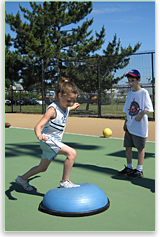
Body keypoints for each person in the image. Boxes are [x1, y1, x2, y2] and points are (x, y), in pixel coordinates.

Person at [16, 77, 80, 190]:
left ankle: (22, 179)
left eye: (72, 101)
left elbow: (66, 110)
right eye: (68, 100)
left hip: (53, 142)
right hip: (47, 140)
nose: (70, 103)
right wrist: (39, 135)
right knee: (72, 154)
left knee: (42, 167)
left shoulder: (65, 107)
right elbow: (38, 126)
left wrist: (73, 107)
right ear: (60, 95)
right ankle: (65, 182)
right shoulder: (52, 110)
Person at [118, 69, 154, 179]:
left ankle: (139, 170)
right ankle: (129, 167)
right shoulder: (129, 94)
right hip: (130, 125)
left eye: (133, 80)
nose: (130, 83)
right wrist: (126, 122)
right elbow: (128, 109)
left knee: (140, 148)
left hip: (140, 126)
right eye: (129, 81)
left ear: (139, 80)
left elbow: (149, 108)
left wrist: (142, 113)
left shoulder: (144, 92)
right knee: (128, 147)